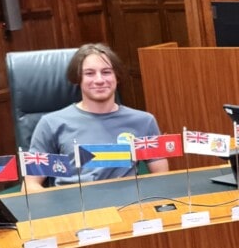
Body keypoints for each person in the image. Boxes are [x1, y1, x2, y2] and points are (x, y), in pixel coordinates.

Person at [25, 43, 167, 189]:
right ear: (77, 78)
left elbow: (162, 178)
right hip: (75, 206)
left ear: (116, 77)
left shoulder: (144, 121)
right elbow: (30, 184)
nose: (99, 80)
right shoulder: (50, 123)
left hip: (126, 206)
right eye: (89, 73)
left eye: (106, 72)